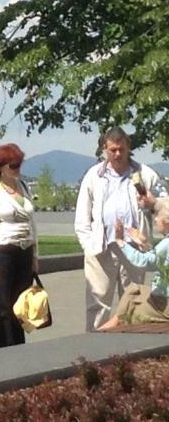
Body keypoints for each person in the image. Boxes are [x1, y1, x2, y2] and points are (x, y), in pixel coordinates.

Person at [74, 126, 167, 331]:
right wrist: (88, 245)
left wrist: (151, 204)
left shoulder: (145, 174)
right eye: (112, 150)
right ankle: (94, 351)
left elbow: (164, 207)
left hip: (134, 248)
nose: (117, 154)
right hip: (102, 248)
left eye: (121, 150)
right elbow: (82, 216)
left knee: (133, 301)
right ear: (105, 150)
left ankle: (130, 349)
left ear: (128, 148)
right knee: (97, 303)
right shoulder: (94, 175)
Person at [0, 143, 37, 347]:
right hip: (3, 251)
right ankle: (4, 347)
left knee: (21, 304)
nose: (17, 169)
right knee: (4, 304)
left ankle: (18, 346)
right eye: (13, 166)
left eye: (19, 165)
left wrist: (35, 255)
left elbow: (32, 222)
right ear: (1, 167)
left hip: (24, 250)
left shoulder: (23, 186)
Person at [98, 199, 169, 330]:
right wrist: (145, 244)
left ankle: (104, 331)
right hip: (163, 299)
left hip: (165, 305)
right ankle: (109, 326)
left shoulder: (167, 243)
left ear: (166, 221)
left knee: (131, 299)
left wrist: (120, 241)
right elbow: (159, 260)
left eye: (157, 216)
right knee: (134, 291)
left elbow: (141, 261)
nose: (155, 220)